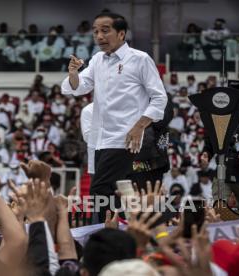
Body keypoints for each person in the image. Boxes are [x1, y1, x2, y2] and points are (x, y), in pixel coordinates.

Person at [61, 12, 167, 220]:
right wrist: (73, 74)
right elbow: (79, 87)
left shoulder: (140, 59)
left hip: (123, 139)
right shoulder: (98, 60)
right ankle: (131, 232)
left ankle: (103, 238)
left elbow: (159, 98)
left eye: (105, 30)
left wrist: (139, 127)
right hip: (100, 141)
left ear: (121, 34)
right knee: (116, 195)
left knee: (100, 191)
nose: (99, 36)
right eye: (95, 31)